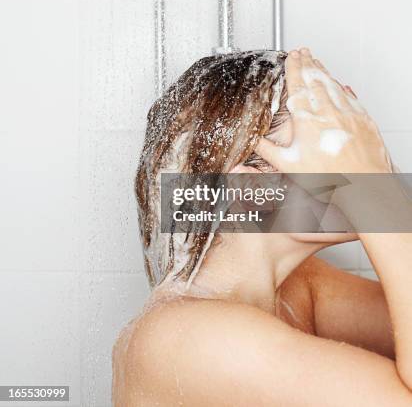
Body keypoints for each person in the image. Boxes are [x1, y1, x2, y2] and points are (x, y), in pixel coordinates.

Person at [112, 48, 412, 406]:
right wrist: (378, 199)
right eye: (342, 145)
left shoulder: (300, 289)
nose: (366, 157)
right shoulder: (192, 337)